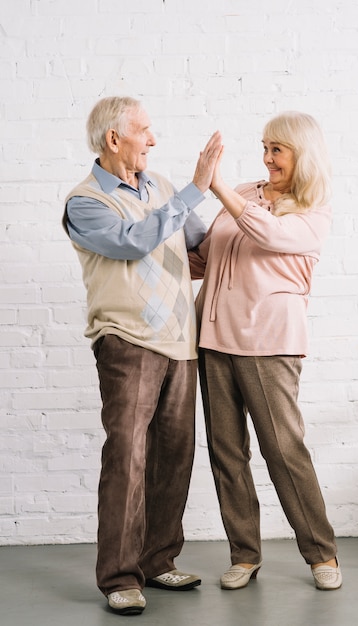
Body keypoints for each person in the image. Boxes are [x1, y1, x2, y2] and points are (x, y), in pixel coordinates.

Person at [62, 96, 222, 615]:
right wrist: (197, 189)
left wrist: (255, 214)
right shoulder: (85, 202)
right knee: (127, 459)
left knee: (174, 457)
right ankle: (118, 576)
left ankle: (157, 560)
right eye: (145, 131)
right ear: (114, 139)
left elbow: (198, 248)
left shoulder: (163, 188)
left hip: (181, 341)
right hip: (127, 341)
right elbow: (132, 243)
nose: (153, 141)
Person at [189, 111, 342, 591]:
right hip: (213, 338)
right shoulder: (247, 194)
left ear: (303, 153)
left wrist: (217, 189)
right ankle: (244, 554)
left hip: (268, 343)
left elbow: (270, 235)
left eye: (277, 148)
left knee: (283, 449)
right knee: (226, 452)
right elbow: (205, 257)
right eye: (265, 146)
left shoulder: (313, 208)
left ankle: (321, 554)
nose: (267, 157)